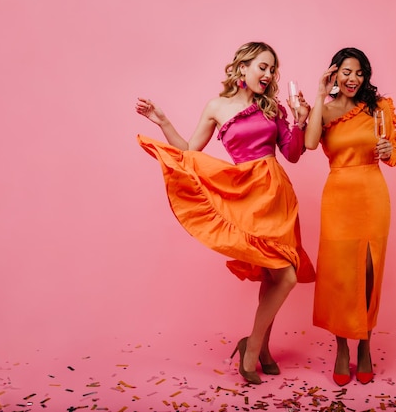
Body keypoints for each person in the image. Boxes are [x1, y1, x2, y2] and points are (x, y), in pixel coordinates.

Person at [134, 41, 315, 385]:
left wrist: (302, 121)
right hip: (245, 194)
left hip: (277, 196)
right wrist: (162, 120)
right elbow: (189, 149)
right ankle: (253, 347)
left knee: (277, 276)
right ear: (242, 68)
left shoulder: (274, 108)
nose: (269, 73)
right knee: (281, 275)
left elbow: (291, 153)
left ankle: (258, 348)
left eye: (273, 68)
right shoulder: (217, 106)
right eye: (263, 66)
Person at [304, 47, 396, 386]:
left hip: (372, 193)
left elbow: (392, 151)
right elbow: (311, 142)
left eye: (360, 73)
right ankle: (342, 349)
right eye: (347, 72)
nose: (353, 79)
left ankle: (366, 346)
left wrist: (388, 151)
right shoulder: (326, 110)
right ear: (334, 74)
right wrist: (319, 95)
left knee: (369, 274)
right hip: (338, 197)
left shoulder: (379, 107)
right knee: (341, 275)